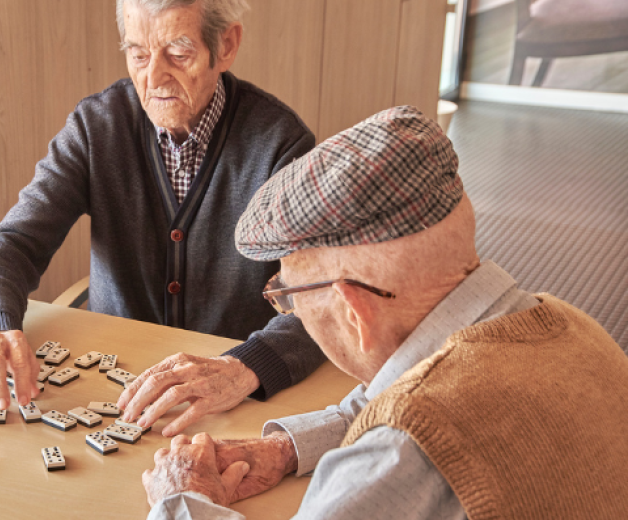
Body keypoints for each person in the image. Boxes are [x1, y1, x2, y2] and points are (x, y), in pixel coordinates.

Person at [143, 106, 628, 519]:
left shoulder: (406, 452)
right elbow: (411, 389)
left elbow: (415, 423)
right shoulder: (571, 324)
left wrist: (184, 500)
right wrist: (287, 448)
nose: (289, 307)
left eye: (287, 296)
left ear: (353, 309)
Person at [0, 0, 326, 436]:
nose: (154, 78)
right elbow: (8, 245)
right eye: (138, 54)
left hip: (225, 404)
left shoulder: (282, 145)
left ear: (226, 45)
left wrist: (244, 367)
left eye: (178, 54)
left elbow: (318, 297)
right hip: (111, 393)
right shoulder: (96, 127)